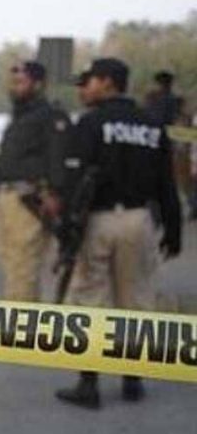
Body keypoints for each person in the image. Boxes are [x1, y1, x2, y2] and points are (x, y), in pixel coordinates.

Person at [55, 58, 182, 409]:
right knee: (136, 298)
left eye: (91, 80)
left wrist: (66, 229)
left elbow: (74, 179)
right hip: (140, 220)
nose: (86, 87)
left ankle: (89, 383)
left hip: (97, 220)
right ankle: (132, 379)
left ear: (108, 82)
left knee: (90, 299)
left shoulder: (91, 122)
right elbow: (166, 183)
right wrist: (173, 230)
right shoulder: (152, 125)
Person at [0, 60, 70, 301]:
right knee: (13, 267)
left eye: (20, 82)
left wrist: (54, 193)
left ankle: (18, 322)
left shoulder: (50, 116)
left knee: (23, 270)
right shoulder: (19, 118)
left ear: (38, 85)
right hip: (6, 198)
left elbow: (57, 157)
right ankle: (27, 316)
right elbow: (7, 160)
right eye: (13, 82)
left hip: (29, 199)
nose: (14, 87)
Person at [144, 70, 194, 221]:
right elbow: (183, 120)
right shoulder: (176, 100)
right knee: (174, 179)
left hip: (152, 141)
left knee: (154, 178)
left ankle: (155, 212)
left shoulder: (151, 98)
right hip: (171, 142)